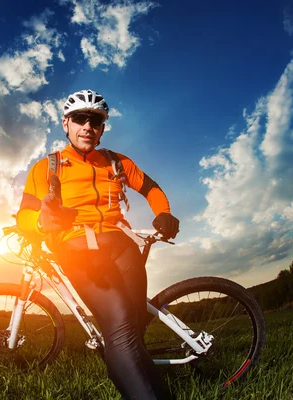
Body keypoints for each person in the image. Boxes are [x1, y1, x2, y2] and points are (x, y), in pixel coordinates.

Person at [16, 89, 179, 400]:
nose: (87, 126)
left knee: (133, 327)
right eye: (80, 119)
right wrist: (41, 222)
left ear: (102, 128)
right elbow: (25, 214)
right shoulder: (46, 168)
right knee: (119, 328)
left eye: (96, 121)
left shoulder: (117, 162)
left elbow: (151, 187)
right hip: (77, 246)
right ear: (66, 123)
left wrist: (164, 213)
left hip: (122, 244)